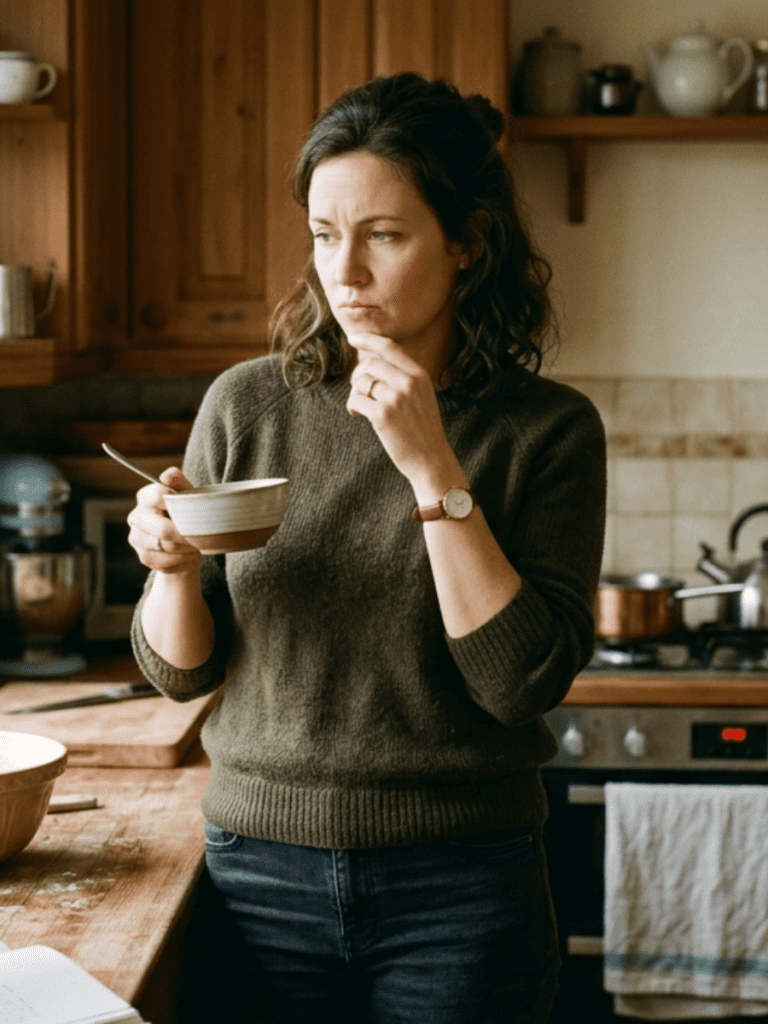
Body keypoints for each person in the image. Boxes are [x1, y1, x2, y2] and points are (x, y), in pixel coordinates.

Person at [127, 72, 606, 1024]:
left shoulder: (546, 431)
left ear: (468, 243)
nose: (343, 274)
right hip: (255, 877)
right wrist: (171, 573)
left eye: (383, 236)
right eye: (323, 234)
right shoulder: (247, 404)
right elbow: (182, 673)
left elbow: (519, 683)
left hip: (465, 890)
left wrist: (433, 468)